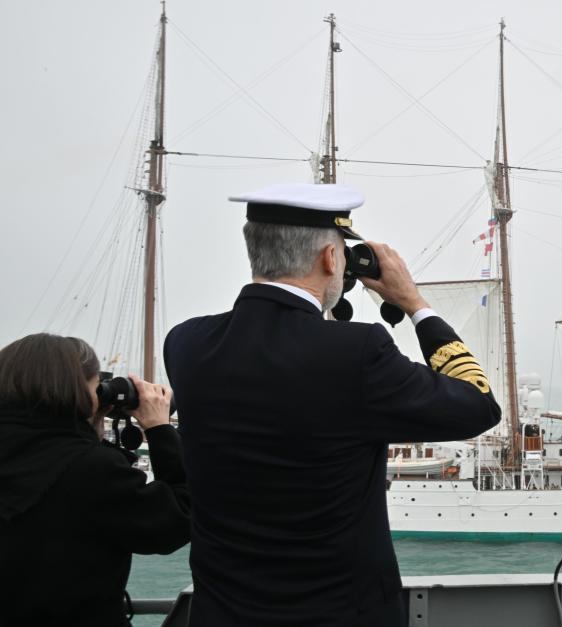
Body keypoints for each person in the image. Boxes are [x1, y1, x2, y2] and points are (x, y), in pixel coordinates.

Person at [164, 183, 502, 626]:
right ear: (329, 259)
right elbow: (478, 405)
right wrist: (414, 304)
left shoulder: (187, 345)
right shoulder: (357, 353)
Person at [0, 333, 189, 627]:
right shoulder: (91, 469)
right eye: (95, 387)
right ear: (76, 391)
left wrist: (91, 426)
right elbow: (176, 521)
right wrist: (160, 429)